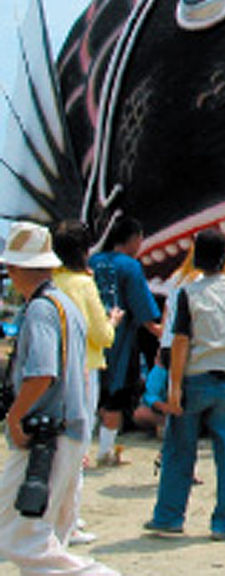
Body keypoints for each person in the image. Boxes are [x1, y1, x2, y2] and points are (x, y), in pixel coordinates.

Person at [0, 222, 119, 575]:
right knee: (47, 534)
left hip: (44, 436)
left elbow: (41, 373)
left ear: (16, 269)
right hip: (70, 430)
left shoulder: (39, 310)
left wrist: (14, 416)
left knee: (21, 536)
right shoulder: (66, 304)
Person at [145, 229, 225, 541]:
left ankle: (169, 517)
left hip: (194, 380)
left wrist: (174, 388)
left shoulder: (188, 294)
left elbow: (180, 341)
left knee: (180, 451)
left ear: (196, 258)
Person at [52, 220, 120, 546]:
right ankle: (69, 522)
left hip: (52, 372)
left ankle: (57, 515)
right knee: (76, 448)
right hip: (84, 370)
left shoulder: (51, 282)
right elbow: (102, 336)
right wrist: (113, 321)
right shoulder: (83, 285)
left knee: (56, 447)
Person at [89, 216, 161, 467]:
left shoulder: (93, 261)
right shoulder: (130, 266)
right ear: (133, 239)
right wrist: (162, 332)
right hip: (119, 341)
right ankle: (105, 452)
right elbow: (143, 309)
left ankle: (85, 451)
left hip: (90, 339)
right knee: (116, 394)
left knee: (89, 393)